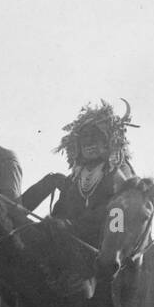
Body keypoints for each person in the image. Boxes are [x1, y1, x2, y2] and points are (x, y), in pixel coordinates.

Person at [20, 100, 136, 249]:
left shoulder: (119, 171)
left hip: (103, 250)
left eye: (95, 135)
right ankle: (12, 212)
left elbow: (119, 215)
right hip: (70, 243)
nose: (89, 142)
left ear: (108, 141)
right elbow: (61, 211)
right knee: (53, 179)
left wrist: (71, 226)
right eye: (84, 137)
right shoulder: (76, 177)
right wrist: (55, 223)